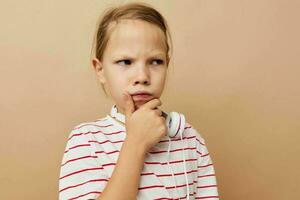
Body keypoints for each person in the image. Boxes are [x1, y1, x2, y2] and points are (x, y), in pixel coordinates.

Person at [59, 2, 219, 200]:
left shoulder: (190, 139)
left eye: (155, 61)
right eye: (126, 62)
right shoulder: (87, 141)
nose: (142, 76)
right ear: (100, 70)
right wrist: (135, 143)